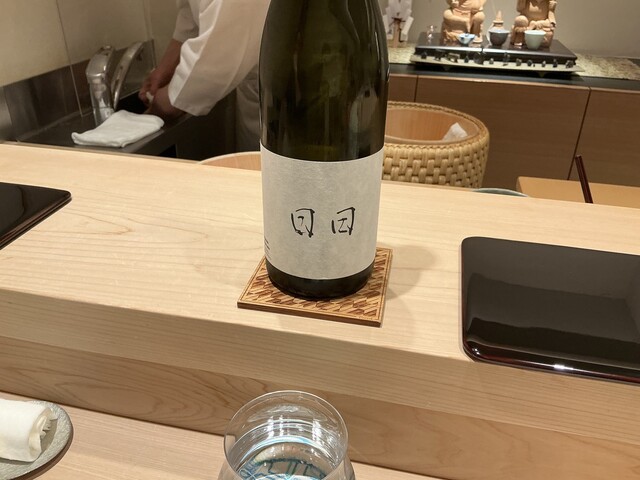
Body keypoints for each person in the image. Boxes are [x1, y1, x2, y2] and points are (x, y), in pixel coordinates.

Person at [139, 0, 270, 151]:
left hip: (280, 94)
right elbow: (192, 12)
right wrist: (165, 68)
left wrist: (169, 100)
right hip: (260, 92)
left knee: (275, 161)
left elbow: (219, 50)